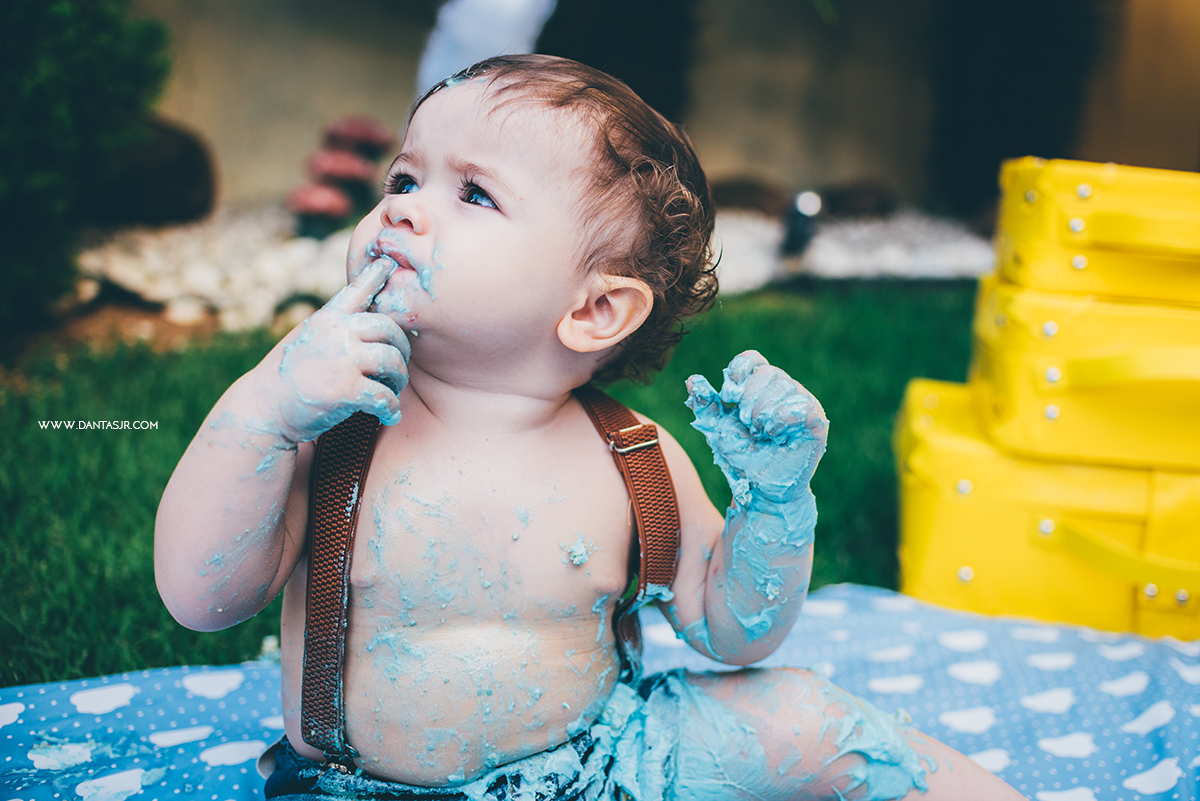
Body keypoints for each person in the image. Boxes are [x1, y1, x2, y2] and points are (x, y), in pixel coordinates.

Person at [154, 55, 1022, 800]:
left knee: (805, 713)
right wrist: (261, 410)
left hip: (605, 767)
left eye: (475, 194)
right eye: (405, 179)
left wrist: (774, 500)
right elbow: (203, 599)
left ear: (597, 307)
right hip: (361, 785)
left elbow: (734, 632)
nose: (403, 210)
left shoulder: (632, 459)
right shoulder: (335, 422)